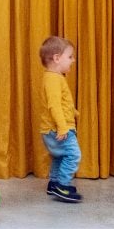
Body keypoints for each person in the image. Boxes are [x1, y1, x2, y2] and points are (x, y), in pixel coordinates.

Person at [38, 35, 83, 203]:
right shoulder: (53, 80)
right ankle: (62, 185)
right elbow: (54, 106)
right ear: (57, 58)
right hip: (58, 129)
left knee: (59, 156)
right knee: (73, 155)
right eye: (70, 57)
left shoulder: (53, 78)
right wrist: (63, 127)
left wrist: (73, 112)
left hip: (52, 128)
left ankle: (54, 183)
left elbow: (61, 104)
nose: (73, 60)